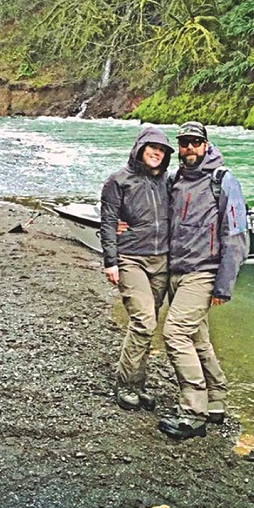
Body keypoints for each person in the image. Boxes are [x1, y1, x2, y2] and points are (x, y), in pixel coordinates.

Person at [157, 121, 249, 440]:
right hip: (175, 273)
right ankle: (216, 401)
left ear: (207, 145)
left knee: (175, 333)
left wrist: (224, 285)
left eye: (196, 142)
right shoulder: (174, 181)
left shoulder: (223, 181)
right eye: (184, 143)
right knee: (196, 338)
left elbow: (236, 235)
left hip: (203, 272)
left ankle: (193, 413)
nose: (190, 148)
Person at [99, 125, 174, 411]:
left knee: (148, 323)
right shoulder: (118, 181)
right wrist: (111, 261)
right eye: (152, 147)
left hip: (163, 260)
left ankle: (138, 383)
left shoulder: (168, 182)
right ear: (140, 148)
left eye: (163, 150)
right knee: (144, 321)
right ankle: (126, 384)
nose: (157, 152)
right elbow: (108, 222)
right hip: (131, 259)